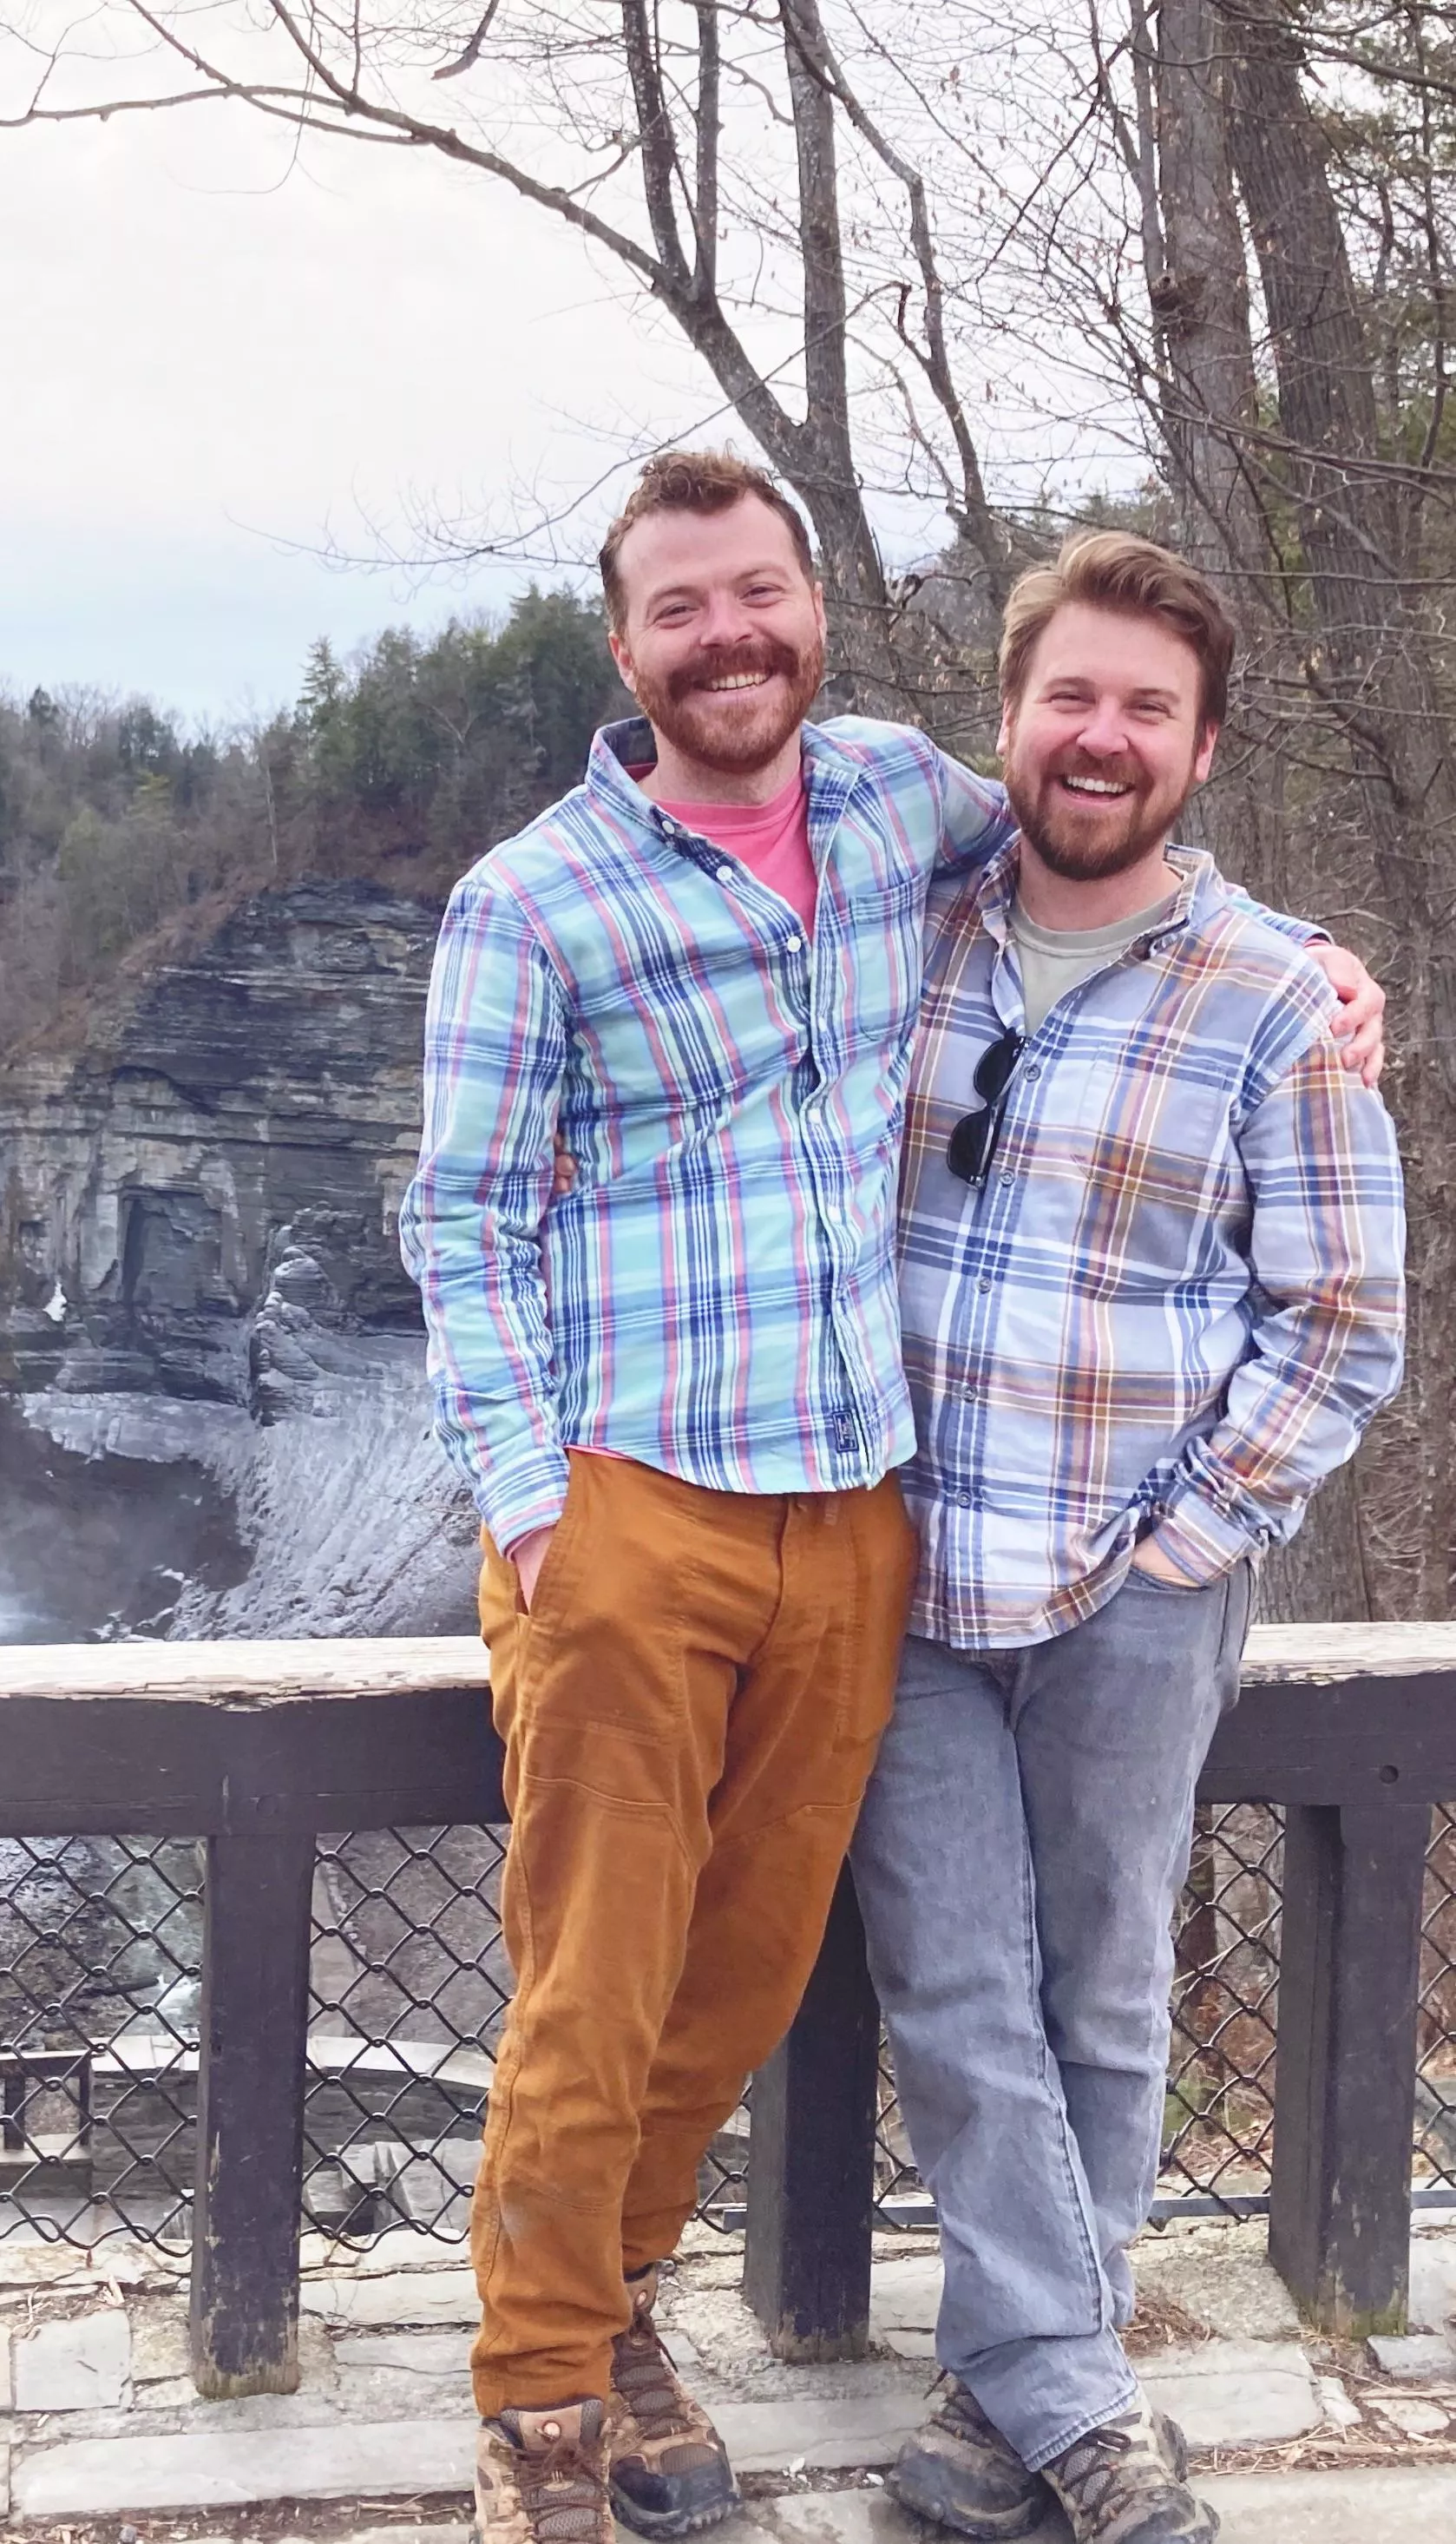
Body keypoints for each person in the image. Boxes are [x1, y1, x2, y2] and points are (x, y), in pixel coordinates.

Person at [396, 451, 1384, 2544]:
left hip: (864, 1516)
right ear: (628, 645)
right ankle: (541, 2401)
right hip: (636, 1494)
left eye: (762, 591)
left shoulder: (885, 805)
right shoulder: (532, 898)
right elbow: (464, 1220)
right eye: (685, 607)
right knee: (599, 1972)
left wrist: (1319, 953)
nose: (730, 633)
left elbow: (1131, 853)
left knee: (750, 1971)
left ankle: (661, 2311)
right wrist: (526, 1498)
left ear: (813, 609)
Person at [848, 533, 1406, 2544]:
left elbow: (1344, 1313)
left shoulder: (1273, 997)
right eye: (1068, 698)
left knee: (1097, 1985)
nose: (1101, 739)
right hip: (899, 1572)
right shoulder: (889, 930)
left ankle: (1018, 2411)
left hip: (1134, 1581)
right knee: (953, 1981)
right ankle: (1083, 2406)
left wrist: (1197, 1534)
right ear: (1005, 717)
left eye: (1145, 710)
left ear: (1204, 746)